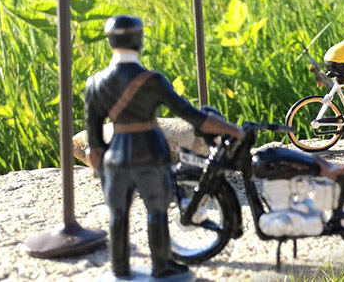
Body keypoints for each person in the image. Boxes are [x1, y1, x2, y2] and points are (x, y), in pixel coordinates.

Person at [85, 16, 245, 279]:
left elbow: (93, 136)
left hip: (115, 157)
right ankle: (162, 265)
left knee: (118, 215)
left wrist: (102, 165)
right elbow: (190, 114)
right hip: (150, 154)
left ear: (110, 41)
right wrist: (229, 128)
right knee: (157, 212)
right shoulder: (152, 80)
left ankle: (120, 269)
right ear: (138, 41)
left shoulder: (96, 83)